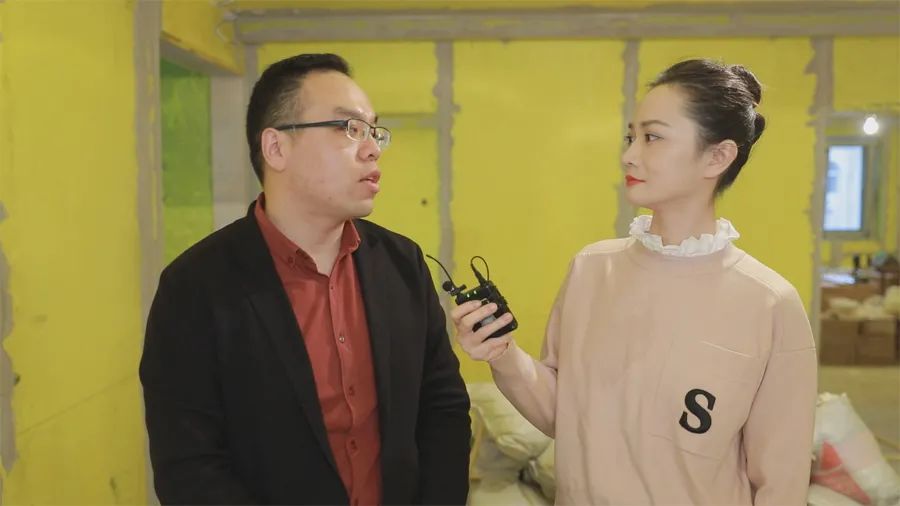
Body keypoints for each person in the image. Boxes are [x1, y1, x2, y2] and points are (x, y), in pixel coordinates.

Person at [452, 59, 817, 505]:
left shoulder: (769, 303)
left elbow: (781, 481)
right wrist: (503, 354)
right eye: (631, 137)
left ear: (717, 156)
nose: (629, 155)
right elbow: (563, 416)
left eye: (653, 137)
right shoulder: (591, 270)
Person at [140, 53, 471, 506]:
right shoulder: (195, 288)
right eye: (348, 128)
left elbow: (443, 407)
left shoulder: (401, 264)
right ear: (276, 148)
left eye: (374, 131)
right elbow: (190, 468)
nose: (372, 148)